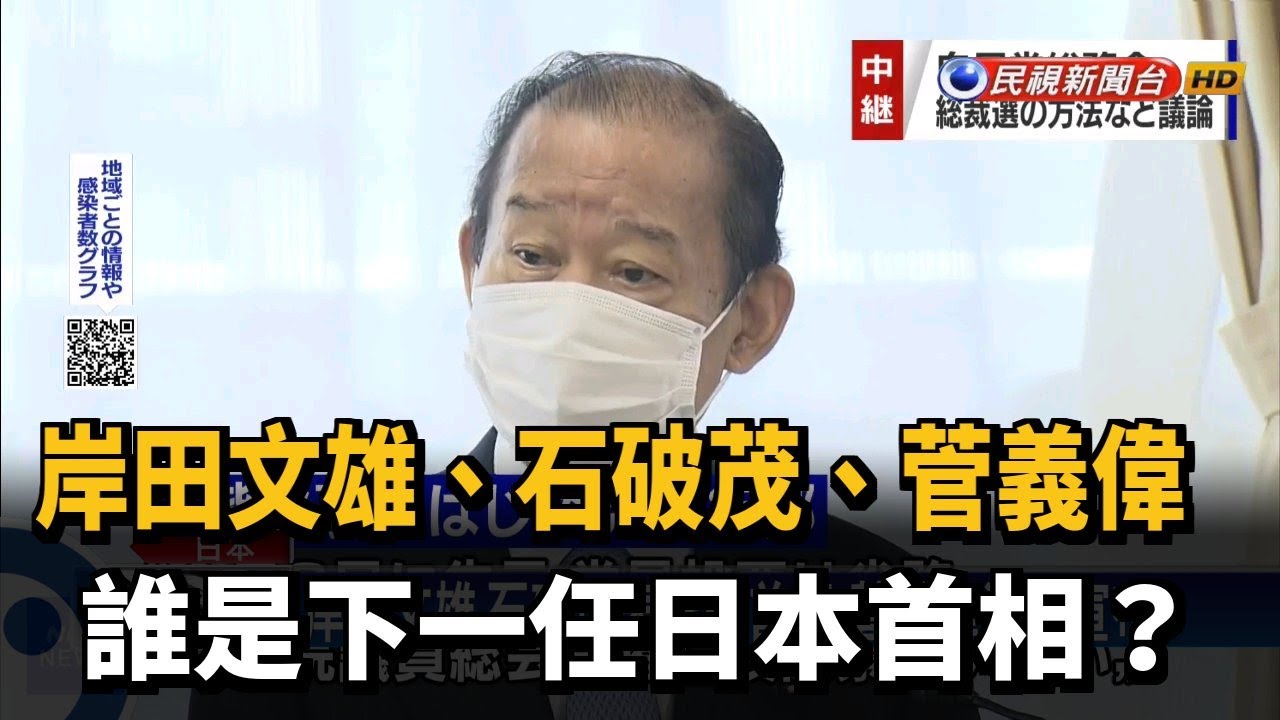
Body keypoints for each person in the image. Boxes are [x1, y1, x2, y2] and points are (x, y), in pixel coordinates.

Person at [191, 51, 981, 720]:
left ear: (752, 320)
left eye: (633, 272)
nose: (569, 309)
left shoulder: (888, 614)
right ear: (472, 266)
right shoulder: (294, 609)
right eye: (532, 256)